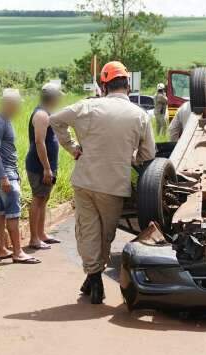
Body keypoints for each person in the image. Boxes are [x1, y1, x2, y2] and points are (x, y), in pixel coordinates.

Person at [50, 61, 156, 304]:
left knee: (87, 230)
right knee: (106, 233)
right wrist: (131, 158)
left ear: (104, 85)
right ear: (127, 85)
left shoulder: (88, 106)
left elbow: (56, 120)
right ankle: (94, 275)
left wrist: (73, 148)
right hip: (114, 185)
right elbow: (148, 154)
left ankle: (93, 277)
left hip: (85, 180)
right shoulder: (139, 115)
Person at [0, 88, 41, 264]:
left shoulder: (5, 120)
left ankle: (2, 249)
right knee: (13, 212)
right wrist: (3, 177)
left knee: (2, 210)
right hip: (6, 173)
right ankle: (17, 252)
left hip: (8, 171)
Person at [25, 83, 65, 249]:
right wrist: (47, 168)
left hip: (46, 165)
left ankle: (41, 234)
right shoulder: (41, 114)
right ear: (52, 97)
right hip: (39, 166)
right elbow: (39, 142)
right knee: (38, 198)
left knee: (44, 199)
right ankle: (34, 238)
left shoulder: (47, 113)